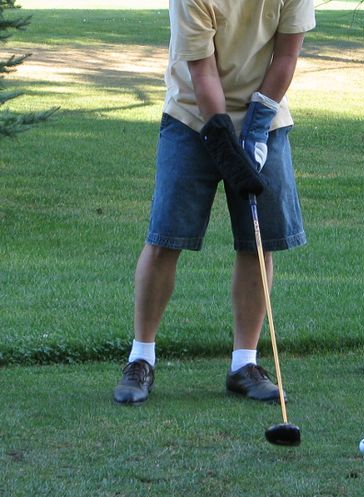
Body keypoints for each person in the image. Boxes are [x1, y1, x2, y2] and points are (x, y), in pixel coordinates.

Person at [113, 0, 316, 405]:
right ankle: (142, 358)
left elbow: (287, 54)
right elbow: (201, 70)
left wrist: (258, 126)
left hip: (266, 111)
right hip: (191, 116)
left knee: (258, 242)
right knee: (166, 235)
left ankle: (244, 363)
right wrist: (227, 144)